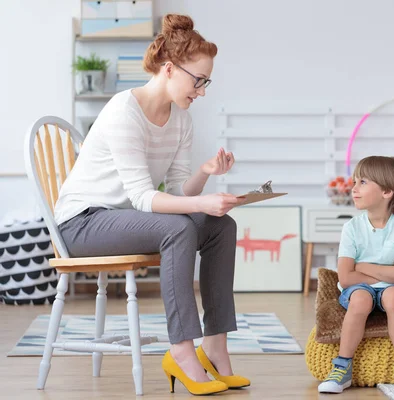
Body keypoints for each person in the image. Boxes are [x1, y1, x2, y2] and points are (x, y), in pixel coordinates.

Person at [53, 13, 250, 396]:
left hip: (126, 220)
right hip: (83, 223)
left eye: (206, 82)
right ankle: (180, 349)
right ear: (170, 69)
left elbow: (175, 192)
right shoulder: (123, 111)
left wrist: (205, 175)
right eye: (199, 81)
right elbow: (145, 198)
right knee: (179, 227)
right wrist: (201, 203)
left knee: (220, 226)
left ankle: (215, 347)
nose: (203, 91)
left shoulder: (181, 120)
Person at [317, 155, 394, 394]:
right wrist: (390, 271)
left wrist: (363, 266)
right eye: (355, 181)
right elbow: (346, 279)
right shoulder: (352, 228)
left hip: (392, 289)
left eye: (363, 182)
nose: (353, 188)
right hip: (360, 289)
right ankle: (342, 368)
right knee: (360, 299)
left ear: (387, 191)